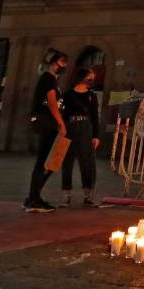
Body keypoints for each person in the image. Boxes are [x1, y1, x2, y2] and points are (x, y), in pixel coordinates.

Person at [24, 48, 67, 212]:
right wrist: (61, 123)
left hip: (48, 121)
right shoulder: (48, 78)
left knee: (47, 161)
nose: (64, 65)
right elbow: (51, 102)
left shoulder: (51, 79)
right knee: (44, 161)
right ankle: (33, 198)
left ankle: (34, 196)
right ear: (54, 62)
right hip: (47, 122)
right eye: (62, 62)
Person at [60, 67, 100, 207]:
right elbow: (63, 115)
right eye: (89, 77)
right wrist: (62, 131)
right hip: (70, 126)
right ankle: (66, 195)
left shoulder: (91, 96)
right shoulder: (67, 95)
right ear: (81, 77)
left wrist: (96, 135)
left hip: (86, 127)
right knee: (68, 161)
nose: (92, 80)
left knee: (86, 161)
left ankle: (87, 195)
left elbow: (95, 116)